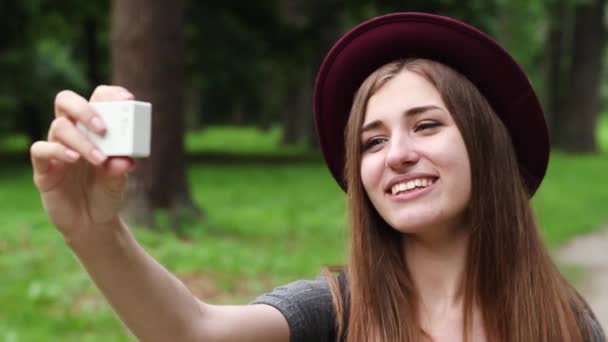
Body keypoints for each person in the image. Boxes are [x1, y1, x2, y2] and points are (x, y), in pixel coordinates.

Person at [30, 12, 604, 342]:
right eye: (373, 141)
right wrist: (95, 233)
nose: (397, 154)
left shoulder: (565, 321)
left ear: (485, 144)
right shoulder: (333, 313)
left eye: (426, 125)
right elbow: (193, 331)